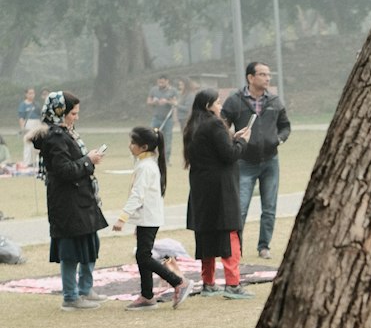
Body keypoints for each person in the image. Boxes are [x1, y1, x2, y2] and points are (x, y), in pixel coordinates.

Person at [32, 90, 108, 311]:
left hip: (81, 198)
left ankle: (85, 289)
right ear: (60, 112)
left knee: (89, 244)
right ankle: (71, 296)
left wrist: (88, 160)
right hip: (66, 202)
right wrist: (88, 160)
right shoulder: (54, 137)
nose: (76, 117)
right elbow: (63, 170)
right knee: (70, 251)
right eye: (73, 113)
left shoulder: (66, 133)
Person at [183, 89, 254, 300]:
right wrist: (242, 142)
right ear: (208, 106)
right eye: (217, 102)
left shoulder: (192, 126)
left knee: (206, 235)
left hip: (201, 189)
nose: (220, 106)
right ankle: (233, 284)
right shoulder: (214, 124)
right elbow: (229, 154)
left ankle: (208, 283)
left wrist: (232, 137)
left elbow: (213, 148)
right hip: (221, 189)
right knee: (229, 233)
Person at [110, 125, 190, 310]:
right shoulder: (146, 162)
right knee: (142, 255)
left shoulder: (146, 166)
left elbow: (138, 195)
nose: (130, 146)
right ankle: (147, 295)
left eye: (132, 143)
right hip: (147, 217)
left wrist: (123, 218)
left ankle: (178, 282)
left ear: (144, 147)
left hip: (149, 217)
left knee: (144, 256)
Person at [221, 60, 291, 260]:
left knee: (269, 207)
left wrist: (278, 139)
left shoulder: (275, 101)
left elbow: (285, 126)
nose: (267, 78)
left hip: (270, 161)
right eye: (263, 74)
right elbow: (222, 125)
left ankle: (264, 246)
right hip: (244, 162)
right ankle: (237, 247)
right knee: (240, 208)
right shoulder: (235, 101)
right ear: (250, 78)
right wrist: (233, 139)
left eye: (269, 75)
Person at [146, 75, 179, 161]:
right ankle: (151, 156)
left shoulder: (173, 91)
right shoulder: (154, 90)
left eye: (162, 82)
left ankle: (166, 159)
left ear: (167, 81)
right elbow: (148, 101)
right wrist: (154, 102)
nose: (160, 84)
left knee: (167, 138)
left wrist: (167, 101)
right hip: (156, 118)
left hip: (168, 119)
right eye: (159, 82)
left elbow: (176, 102)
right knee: (152, 136)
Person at [17, 87, 41, 168]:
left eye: (33, 93)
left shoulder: (36, 104)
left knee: (38, 142)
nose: (31, 95)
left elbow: (40, 115)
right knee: (28, 143)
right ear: (26, 94)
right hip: (28, 124)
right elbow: (21, 117)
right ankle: (27, 162)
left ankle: (38, 162)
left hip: (37, 123)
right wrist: (22, 127)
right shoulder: (23, 105)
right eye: (30, 93)